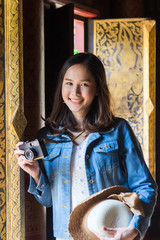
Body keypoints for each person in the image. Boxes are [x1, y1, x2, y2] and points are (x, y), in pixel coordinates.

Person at [14, 52, 157, 240]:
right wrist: (36, 173)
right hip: (66, 236)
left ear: (97, 89)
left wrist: (135, 228)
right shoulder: (47, 137)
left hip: (113, 233)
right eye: (69, 83)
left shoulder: (118, 130)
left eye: (84, 84)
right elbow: (48, 201)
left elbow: (145, 186)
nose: (75, 92)